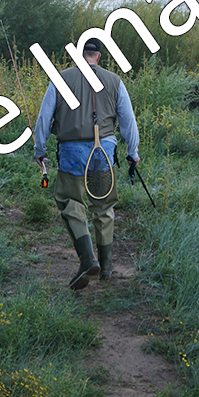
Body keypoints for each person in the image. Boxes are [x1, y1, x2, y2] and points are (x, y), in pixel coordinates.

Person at [33, 38, 140, 290]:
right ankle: (106, 267)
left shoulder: (60, 79)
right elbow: (128, 120)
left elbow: (44, 117)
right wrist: (132, 152)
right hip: (104, 150)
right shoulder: (115, 81)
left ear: (79, 56)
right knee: (103, 206)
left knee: (71, 203)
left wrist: (40, 149)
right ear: (99, 57)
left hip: (72, 150)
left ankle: (87, 259)